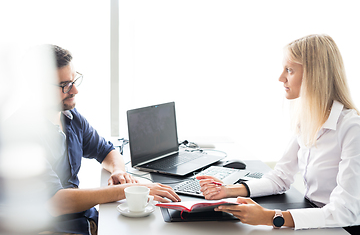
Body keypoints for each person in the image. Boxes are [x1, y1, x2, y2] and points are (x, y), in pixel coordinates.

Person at [197, 34, 360, 231]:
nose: (281, 77)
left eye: (289, 70)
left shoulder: (352, 129)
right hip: (314, 219)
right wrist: (227, 190)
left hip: (341, 227)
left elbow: (345, 212)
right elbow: (281, 178)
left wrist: (270, 217)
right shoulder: (308, 120)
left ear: (315, 75)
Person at [42, 45, 181, 234]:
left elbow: (106, 150)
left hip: (84, 220)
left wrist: (118, 171)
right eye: (65, 85)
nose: (75, 90)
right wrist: (130, 189)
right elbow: (57, 202)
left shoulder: (70, 116)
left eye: (74, 80)